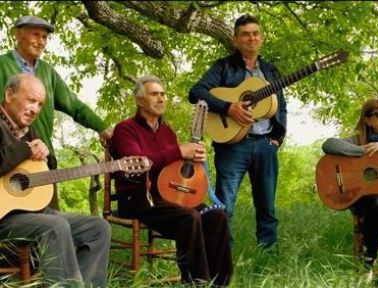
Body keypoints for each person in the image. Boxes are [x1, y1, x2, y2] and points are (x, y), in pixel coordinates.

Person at [111, 76, 233, 286]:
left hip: (169, 195)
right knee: (189, 217)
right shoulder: (125, 129)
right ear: (139, 101)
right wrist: (178, 151)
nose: (161, 98)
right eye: (154, 94)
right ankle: (197, 283)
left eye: (163, 94)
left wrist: (193, 159)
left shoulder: (168, 132)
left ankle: (220, 282)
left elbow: (173, 169)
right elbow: (139, 164)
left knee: (217, 215)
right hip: (137, 198)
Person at [0, 74, 111, 287]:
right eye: (31, 100)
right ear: (9, 94)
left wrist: (47, 155)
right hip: (4, 218)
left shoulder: (30, 131)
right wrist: (25, 149)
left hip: (33, 213)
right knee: (55, 225)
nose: (35, 109)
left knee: (98, 227)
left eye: (40, 104)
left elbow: (45, 172)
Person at [188, 14, 287, 249]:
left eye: (256, 33)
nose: (251, 38)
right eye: (245, 34)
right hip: (232, 145)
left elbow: (281, 106)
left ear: (261, 38)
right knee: (225, 206)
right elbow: (196, 91)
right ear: (235, 40)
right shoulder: (223, 67)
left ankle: (268, 256)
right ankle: (223, 257)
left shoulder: (271, 72)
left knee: (267, 207)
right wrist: (228, 107)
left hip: (265, 144)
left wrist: (277, 138)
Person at [0, 15, 113, 208]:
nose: (41, 41)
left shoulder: (47, 72)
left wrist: (101, 127)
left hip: (41, 161)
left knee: (53, 221)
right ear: (18, 35)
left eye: (45, 37)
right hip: (6, 160)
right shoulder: (2, 65)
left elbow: (73, 104)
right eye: (36, 35)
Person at [322, 98, 378, 276]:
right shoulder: (358, 140)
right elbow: (329, 144)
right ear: (367, 120)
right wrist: (366, 151)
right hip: (362, 200)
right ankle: (368, 263)